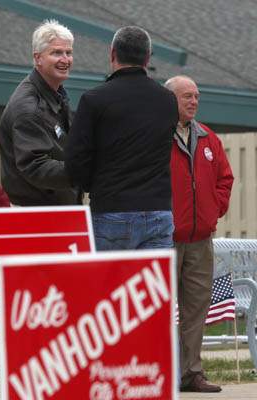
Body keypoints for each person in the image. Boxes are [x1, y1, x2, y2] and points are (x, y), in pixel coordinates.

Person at [65, 26, 178, 250]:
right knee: (153, 275)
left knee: (110, 274)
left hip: (111, 209)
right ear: (147, 58)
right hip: (158, 210)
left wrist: (92, 185)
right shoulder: (167, 100)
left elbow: (75, 160)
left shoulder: (94, 100)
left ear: (112, 53)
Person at [165, 75, 233, 393]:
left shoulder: (208, 138)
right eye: (186, 96)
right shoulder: (155, 136)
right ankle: (162, 369)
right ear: (170, 100)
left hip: (200, 239)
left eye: (196, 96)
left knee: (196, 308)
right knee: (160, 306)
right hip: (165, 237)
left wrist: (212, 210)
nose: (193, 101)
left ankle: (191, 373)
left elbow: (225, 179)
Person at [0, 19, 82, 206]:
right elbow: (35, 166)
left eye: (68, 53)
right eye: (56, 53)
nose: (65, 59)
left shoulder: (56, 95)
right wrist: (82, 171)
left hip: (57, 209)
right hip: (37, 213)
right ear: (38, 58)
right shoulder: (29, 108)